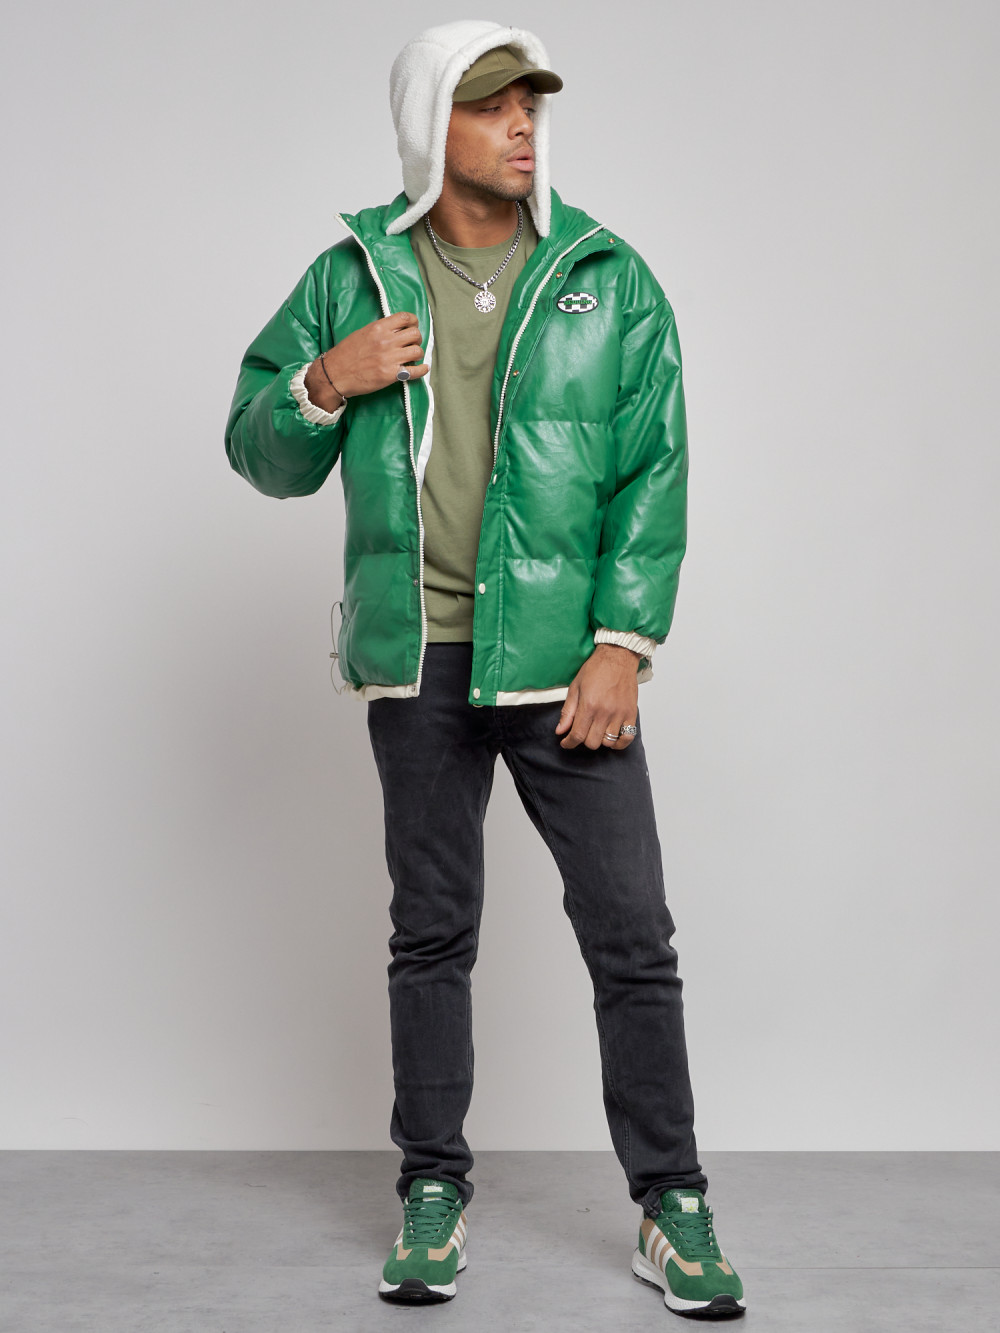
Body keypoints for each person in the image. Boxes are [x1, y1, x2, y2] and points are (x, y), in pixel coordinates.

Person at [225, 18, 745, 1320]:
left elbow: (655, 471)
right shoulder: (351, 277)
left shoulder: (606, 276)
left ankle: (672, 1201)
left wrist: (623, 644)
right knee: (431, 937)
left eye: (532, 104)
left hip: (567, 665)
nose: (523, 125)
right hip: (419, 660)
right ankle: (431, 1188)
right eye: (492, 103)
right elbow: (258, 452)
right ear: (430, 125)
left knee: (632, 936)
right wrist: (325, 381)